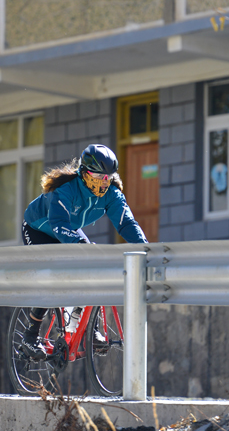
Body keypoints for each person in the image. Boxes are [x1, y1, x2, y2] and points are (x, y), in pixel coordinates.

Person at [20, 143, 148, 358]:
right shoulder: (66, 190)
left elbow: (126, 224)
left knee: (91, 268)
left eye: (107, 177)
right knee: (52, 278)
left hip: (68, 228)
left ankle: (90, 328)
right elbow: (59, 223)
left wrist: (145, 248)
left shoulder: (112, 194)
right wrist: (80, 246)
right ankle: (30, 337)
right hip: (40, 228)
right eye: (98, 177)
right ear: (84, 173)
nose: (103, 182)